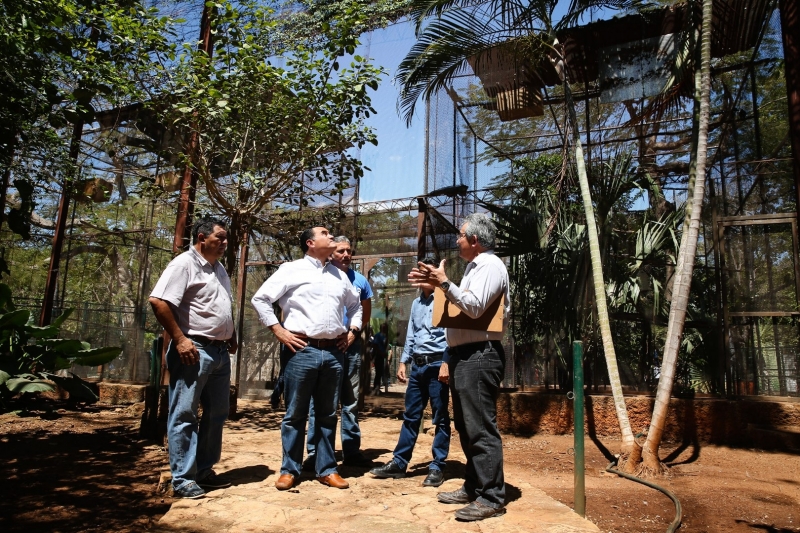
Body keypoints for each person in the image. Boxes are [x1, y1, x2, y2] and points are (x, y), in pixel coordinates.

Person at [408, 212, 510, 522]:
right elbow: (461, 305)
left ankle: (491, 497)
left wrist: (444, 281)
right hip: (464, 355)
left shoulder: (490, 265)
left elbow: (474, 306)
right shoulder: (473, 267)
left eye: (461, 235)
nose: (457, 240)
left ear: (475, 240)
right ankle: (475, 486)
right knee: (466, 426)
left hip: (480, 354)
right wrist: (438, 284)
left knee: (480, 427)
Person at [251, 226, 362, 491]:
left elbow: (355, 306)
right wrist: (279, 331)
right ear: (310, 243)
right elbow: (260, 299)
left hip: (334, 353)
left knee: (327, 414)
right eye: (325, 233)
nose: (331, 236)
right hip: (301, 350)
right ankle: (290, 470)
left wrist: (353, 332)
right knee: (295, 414)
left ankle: (327, 469)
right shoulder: (291, 269)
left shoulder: (339, 275)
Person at [148, 217, 237, 499]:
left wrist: (230, 333)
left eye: (225, 238)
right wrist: (180, 339)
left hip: (219, 352)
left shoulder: (219, 268)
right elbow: (159, 301)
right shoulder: (183, 264)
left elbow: (218, 305)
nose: (225, 243)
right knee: (185, 413)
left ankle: (203, 470)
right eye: (219, 237)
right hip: (193, 350)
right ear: (201, 237)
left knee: (217, 412)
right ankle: (183, 478)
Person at [369, 258, 450, 487]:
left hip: (437, 364)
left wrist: (446, 362)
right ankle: (399, 462)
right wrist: (404, 362)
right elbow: (412, 334)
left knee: (440, 417)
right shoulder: (416, 303)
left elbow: (452, 334)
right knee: (411, 415)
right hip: (417, 366)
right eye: (420, 271)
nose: (423, 275)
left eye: (427, 271)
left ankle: (437, 467)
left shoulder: (446, 299)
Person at [305, 236, 373, 468]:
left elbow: (365, 313)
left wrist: (353, 334)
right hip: (325, 347)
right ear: (331, 253)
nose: (346, 255)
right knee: (318, 402)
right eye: (341, 251)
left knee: (350, 401)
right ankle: (315, 452)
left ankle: (351, 451)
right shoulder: (320, 276)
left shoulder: (360, 281)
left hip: (350, 347)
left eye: (349, 251)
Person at [369, 323, 388, 395]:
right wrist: (380, 353)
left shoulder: (385, 336)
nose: (384, 329)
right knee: (378, 372)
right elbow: (375, 345)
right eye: (383, 328)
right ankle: (375, 388)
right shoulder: (378, 335)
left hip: (382, 356)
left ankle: (377, 388)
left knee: (380, 372)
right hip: (377, 356)